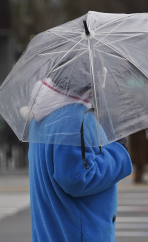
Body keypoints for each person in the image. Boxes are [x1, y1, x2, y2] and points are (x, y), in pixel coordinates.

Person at [22, 77, 132, 242]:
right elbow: (77, 177)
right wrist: (118, 151)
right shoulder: (73, 117)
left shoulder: (44, 115)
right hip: (78, 233)